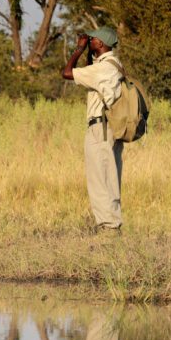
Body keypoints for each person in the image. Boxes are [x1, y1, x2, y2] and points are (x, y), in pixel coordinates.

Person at [61, 26, 125, 232]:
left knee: (99, 178)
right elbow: (90, 76)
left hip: (100, 128)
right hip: (111, 127)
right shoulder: (114, 64)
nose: (89, 41)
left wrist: (78, 50)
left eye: (92, 40)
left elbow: (67, 73)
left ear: (100, 43)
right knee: (110, 176)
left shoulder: (102, 69)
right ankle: (113, 224)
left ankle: (108, 227)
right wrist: (89, 53)